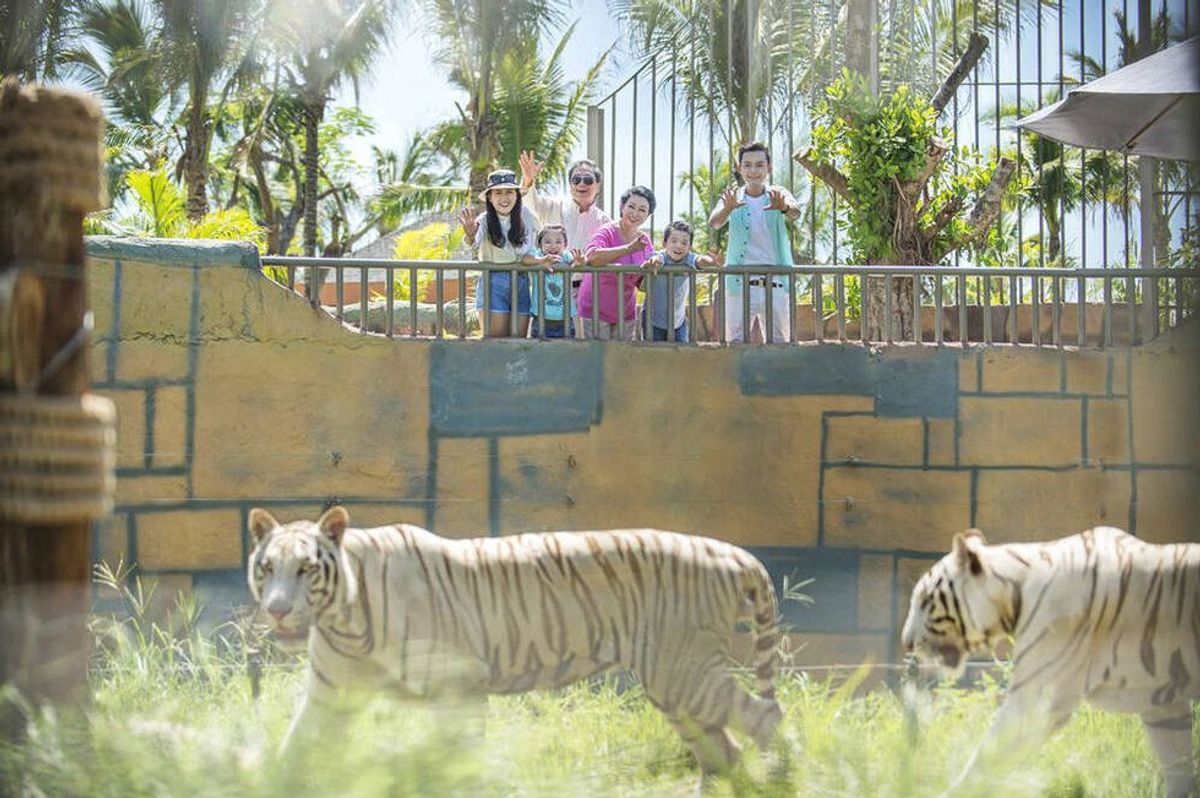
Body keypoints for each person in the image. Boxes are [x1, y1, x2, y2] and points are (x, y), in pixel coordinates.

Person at [708, 142, 803, 344]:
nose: (753, 170)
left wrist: (783, 207)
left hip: (776, 281)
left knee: (780, 343)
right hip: (739, 283)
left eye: (759, 165)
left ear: (769, 167)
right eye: (748, 165)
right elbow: (715, 223)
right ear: (740, 168)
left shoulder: (778, 193)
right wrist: (728, 209)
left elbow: (795, 212)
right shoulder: (733, 196)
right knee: (735, 342)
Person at [518, 151, 611, 338]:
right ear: (570, 184)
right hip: (547, 294)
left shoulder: (605, 221)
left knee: (577, 350)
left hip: (585, 294)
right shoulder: (553, 206)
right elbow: (528, 203)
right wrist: (528, 180)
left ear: (598, 185)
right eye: (576, 179)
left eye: (587, 179)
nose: (581, 184)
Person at [458, 169, 538, 338]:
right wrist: (470, 234)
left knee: (519, 344)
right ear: (489, 197)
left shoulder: (527, 216)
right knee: (496, 344)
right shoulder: (484, 220)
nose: (504, 198)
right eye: (498, 192)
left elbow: (531, 248)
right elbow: (472, 244)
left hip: (522, 281)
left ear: (517, 195)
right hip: (494, 282)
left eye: (509, 192)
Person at [580, 186, 656, 341]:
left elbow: (642, 285)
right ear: (622, 207)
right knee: (597, 358)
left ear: (648, 215)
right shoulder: (607, 231)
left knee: (620, 359)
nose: (635, 213)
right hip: (596, 309)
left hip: (625, 312)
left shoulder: (645, 241)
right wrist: (629, 248)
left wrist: (650, 271)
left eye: (642, 210)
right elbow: (592, 257)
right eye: (631, 206)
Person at [640, 220, 720, 343]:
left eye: (684, 243)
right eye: (674, 241)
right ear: (664, 243)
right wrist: (654, 262)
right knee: (654, 354)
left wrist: (711, 261)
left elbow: (700, 260)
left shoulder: (688, 258)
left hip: (678, 321)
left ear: (690, 247)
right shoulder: (660, 256)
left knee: (680, 353)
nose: (679, 246)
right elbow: (657, 258)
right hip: (653, 320)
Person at [522, 224, 584, 339]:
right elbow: (524, 259)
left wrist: (579, 261)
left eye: (558, 242)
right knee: (539, 353)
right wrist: (540, 261)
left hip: (565, 321)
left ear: (565, 245)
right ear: (540, 245)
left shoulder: (566, 257)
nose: (553, 246)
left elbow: (581, 260)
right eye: (547, 242)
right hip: (540, 320)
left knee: (565, 353)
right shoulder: (538, 255)